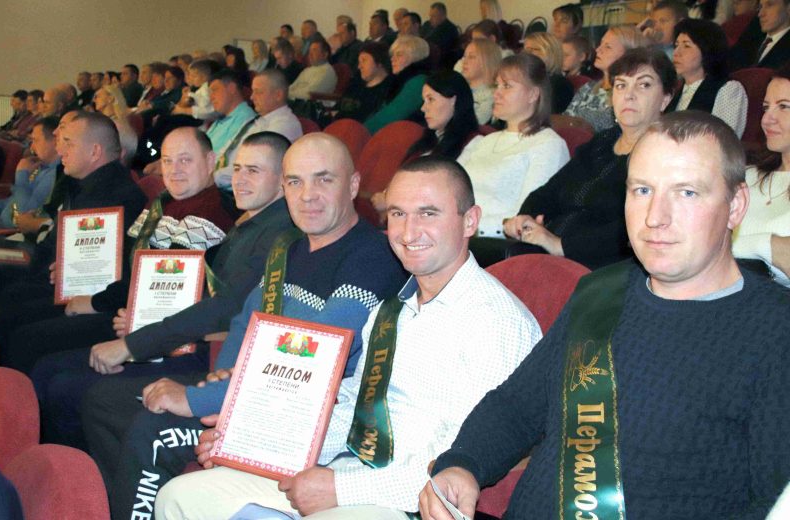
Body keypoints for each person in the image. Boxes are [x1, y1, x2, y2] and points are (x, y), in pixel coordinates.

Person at [422, 110, 790, 520]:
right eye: (642, 190)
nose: (655, 217)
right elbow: (518, 405)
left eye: (686, 193)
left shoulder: (775, 330)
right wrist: (464, 463)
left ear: (736, 205)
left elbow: (773, 502)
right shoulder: (601, 292)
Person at [155, 155, 541, 520]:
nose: (409, 232)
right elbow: (353, 408)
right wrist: (250, 445)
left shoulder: (496, 321)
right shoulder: (390, 312)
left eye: (428, 213)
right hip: (347, 471)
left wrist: (342, 490)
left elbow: (468, 457)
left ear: (470, 220)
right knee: (179, 499)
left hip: (407, 502)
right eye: (398, 214)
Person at [81, 134, 406, 519]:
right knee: (101, 402)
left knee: (154, 432)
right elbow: (246, 321)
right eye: (295, 182)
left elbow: (313, 362)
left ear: (352, 186)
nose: (308, 195)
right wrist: (221, 377)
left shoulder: (371, 256)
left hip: (303, 417)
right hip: (251, 389)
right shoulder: (289, 248)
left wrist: (201, 400)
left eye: (324, 179)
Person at [31, 132, 294, 469]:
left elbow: (224, 310)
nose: (240, 179)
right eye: (239, 168)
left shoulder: (275, 234)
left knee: (71, 388)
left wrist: (134, 342)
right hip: (176, 334)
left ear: (283, 180)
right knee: (51, 371)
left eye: (254, 171)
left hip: (209, 354)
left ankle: (73, 481)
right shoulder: (253, 223)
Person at [0, 127, 233, 375]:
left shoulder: (210, 210)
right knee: (17, 312)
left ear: (210, 161)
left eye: (185, 160)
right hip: (123, 302)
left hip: (145, 320)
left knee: (29, 342)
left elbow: (164, 286)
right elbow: (124, 257)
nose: (174, 170)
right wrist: (76, 271)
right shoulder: (165, 201)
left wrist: (95, 302)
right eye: (167, 161)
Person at [499, 47, 676, 269]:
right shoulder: (601, 142)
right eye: (621, 85)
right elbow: (549, 191)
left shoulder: (666, 154)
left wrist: (561, 245)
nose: (629, 95)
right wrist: (525, 218)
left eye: (644, 85)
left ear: (665, 98)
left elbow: (634, 228)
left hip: (607, 265)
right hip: (554, 251)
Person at [0, 112, 146, 344]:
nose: (60, 150)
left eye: (68, 143)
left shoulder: (118, 196)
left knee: (16, 318)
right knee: (4, 286)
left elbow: (110, 270)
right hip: (56, 275)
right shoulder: (82, 184)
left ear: (94, 152)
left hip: (87, 293)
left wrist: (66, 267)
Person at [460, 54, 569, 243]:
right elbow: (447, 190)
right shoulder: (482, 141)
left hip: (491, 244)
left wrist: (463, 226)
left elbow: (526, 217)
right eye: (497, 85)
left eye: (507, 86)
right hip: (455, 234)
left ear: (533, 94)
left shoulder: (549, 145)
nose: (496, 93)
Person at [370, 70, 480, 221]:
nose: (423, 108)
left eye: (431, 99)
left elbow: (447, 197)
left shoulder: (474, 144)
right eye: (424, 100)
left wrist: (392, 202)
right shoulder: (427, 143)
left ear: (453, 100)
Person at [733, 65, 790, 286]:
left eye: (784, 106)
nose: (767, 119)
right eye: (766, 107)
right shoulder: (746, 175)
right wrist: (770, 246)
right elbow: (698, 246)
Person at [214, 69, 303, 188]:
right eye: (252, 91)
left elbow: (252, 166)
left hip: (245, 189)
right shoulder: (256, 121)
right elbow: (226, 151)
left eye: (258, 92)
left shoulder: (285, 125)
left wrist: (213, 178)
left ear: (278, 95)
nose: (252, 97)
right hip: (226, 183)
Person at [668, 18, 747, 138]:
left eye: (686, 46)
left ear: (707, 51)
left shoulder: (728, 89)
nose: (676, 53)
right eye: (676, 45)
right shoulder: (676, 90)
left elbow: (724, 139)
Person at [565, 25, 648, 131]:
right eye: (601, 44)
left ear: (627, 55)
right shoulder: (588, 87)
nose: (598, 50)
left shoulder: (629, 95)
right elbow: (566, 118)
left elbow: (610, 126)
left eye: (608, 47)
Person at [0, 117, 59, 229]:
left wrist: (22, 176)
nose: (32, 147)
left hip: (9, 233)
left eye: (36, 140)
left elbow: (22, 217)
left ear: (55, 142)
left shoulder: (54, 175)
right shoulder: (39, 167)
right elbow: (14, 200)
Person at [365, 35, 430, 134]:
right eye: (392, 55)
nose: (392, 59)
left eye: (399, 55)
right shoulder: (398, 80)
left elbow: (391, 116)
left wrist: (360, 131)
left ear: (415, 57)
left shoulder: (418, 82)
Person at [335, 41, 394, 123]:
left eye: (364, 60)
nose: (359, 66)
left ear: (379, 62)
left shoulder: (390, 89)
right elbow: (341, 108)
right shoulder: (355, 84)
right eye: (359, 62)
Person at [523, 32, 575, 113]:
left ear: (551, 53)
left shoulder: (559, 84)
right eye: (525, 49)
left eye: (533, 49)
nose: (526, 53)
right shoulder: (523, 79)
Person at [459, 38, 501, 124]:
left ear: (488, 61)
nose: (464, 61)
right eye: (464, 56)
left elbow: (475, 123)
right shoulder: (458, 87)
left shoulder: (493, 95)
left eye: (471, 57)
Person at [421, 2, 460, 67]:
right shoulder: (427, 25)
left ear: (443, 16)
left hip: (441, 63)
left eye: (434, 16)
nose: (430, 19)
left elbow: (441, 48)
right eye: (430, 16)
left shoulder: (450, 29)